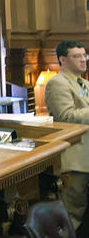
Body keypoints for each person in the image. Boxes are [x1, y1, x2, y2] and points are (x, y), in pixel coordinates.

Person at [44, 40, 89, 233]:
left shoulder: (84, 83)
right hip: (75, 158)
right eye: (76, 56)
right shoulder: (57, 83)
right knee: (72, 215)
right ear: (62, 59)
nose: (83, 60)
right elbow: (66, 116)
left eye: (84, 55)